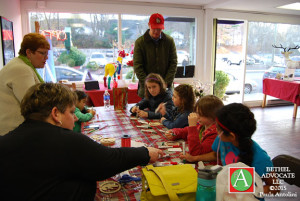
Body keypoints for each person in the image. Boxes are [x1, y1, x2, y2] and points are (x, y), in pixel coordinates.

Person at [0, 83, 163, 201]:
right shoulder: (64, 140)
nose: (76, 117)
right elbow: (108, 160)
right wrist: (145, 152)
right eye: (71, 112)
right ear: (55, 114)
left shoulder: (7, 139)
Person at [180, 103, 276, 194]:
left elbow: (274, 187)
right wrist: (195, 158)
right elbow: (215, 155)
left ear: (232, 136)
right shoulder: (223, 140)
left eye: (217, 129)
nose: (215, 131)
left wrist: (249, 192)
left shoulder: (260, 159)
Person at [0, 33, 50, 135]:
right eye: (42, 53)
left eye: (47, 53)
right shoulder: (21, 69)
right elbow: (33, 104)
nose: (46, 58)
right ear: (29, 52)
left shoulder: (21, 65)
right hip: (14, 132)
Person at [166, 95, 223, 164]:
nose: (197, 116)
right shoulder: (203, 125)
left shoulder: (215, 133)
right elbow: (185, 131)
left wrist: (192, 126)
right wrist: (174, 132)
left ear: (213, 116)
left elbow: (195, 152)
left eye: (200, 114)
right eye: (197, 112)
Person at [133, 13, 177, 98]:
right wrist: (148, 84)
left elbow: (173, 63)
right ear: (149, 25)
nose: (156, 31)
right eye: (154, 28)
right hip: (146, 89)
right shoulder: (140, 42)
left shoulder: (169, 41)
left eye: (159, 29)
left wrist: (166, 82)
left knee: (167, 110)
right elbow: (138, 66)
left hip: (166, 88)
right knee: (145, 111)